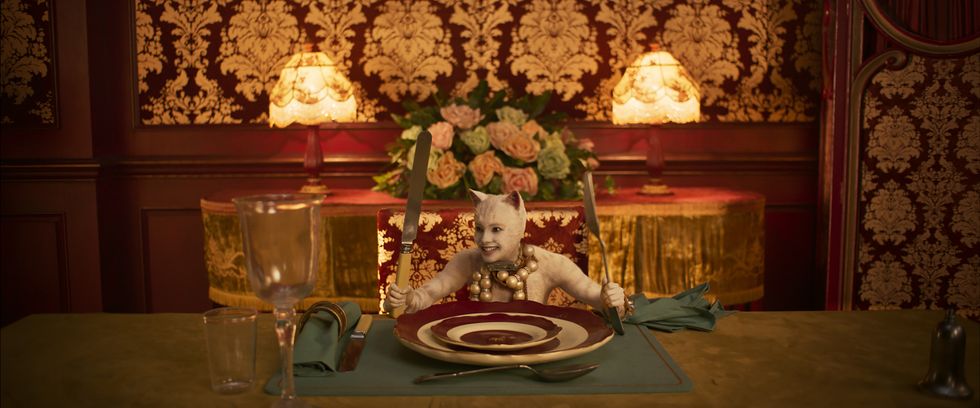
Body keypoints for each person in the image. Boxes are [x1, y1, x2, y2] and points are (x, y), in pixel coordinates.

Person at [386, 189, 626, 316]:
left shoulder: (550, 263)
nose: (484, 240)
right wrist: (406, 299)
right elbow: (429, 293)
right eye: (479, 229)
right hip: (475, 354)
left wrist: (612, 299)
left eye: (497, 229)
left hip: (536, 356)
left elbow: (596, 297)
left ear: (520, 229)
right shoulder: (468, 261)